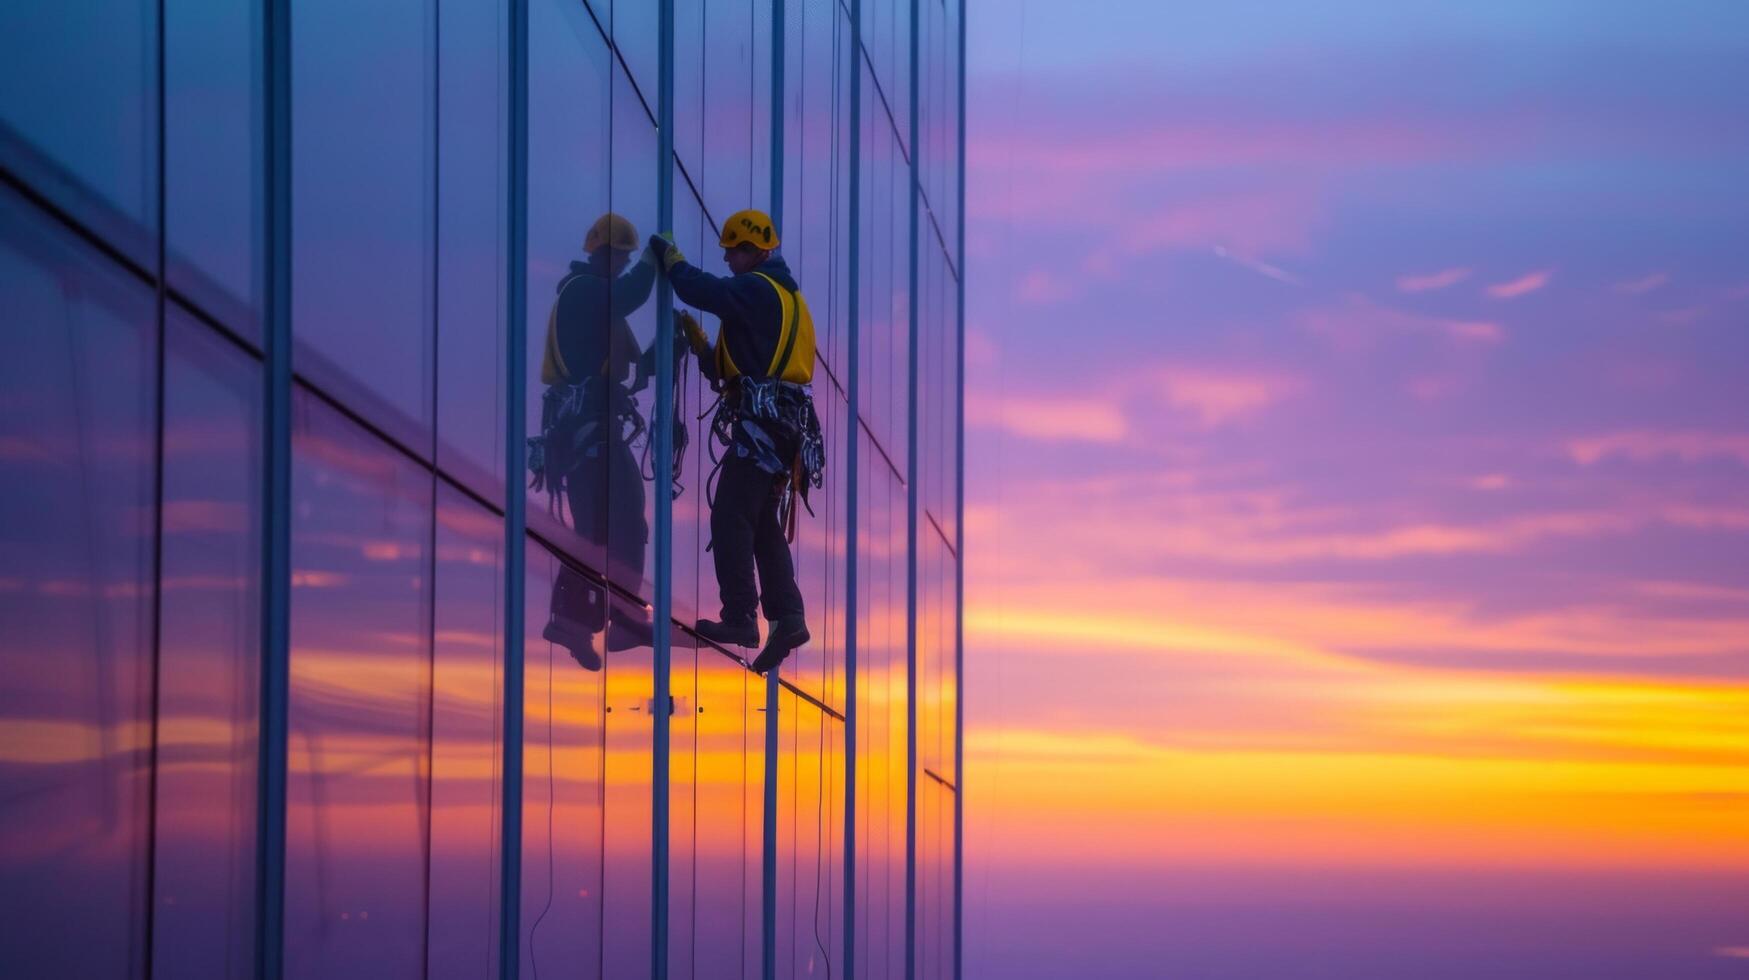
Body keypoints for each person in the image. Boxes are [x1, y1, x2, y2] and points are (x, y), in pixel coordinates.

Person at [645, 209, 824, 674]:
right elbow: (745, 370)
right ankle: (787, 617)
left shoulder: (757, 289)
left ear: (755, 250)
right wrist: (706, 350)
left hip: (765, 430)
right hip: (783, 429)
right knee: (760, 522)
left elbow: (705, 291)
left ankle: (741, 615)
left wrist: (672, 260)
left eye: (733, 250)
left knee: (731, 514)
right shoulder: (789, 299)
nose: (727, 258)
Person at [530, 212, 662, 670]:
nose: (624, 265)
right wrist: (654, 260)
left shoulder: (594, 297)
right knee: (616, 525)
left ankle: (585, 620)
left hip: (592, 428)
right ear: (601, 253)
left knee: (606, 529)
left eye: (627, 259)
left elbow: (625, 370)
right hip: (587, 432)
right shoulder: (587, 291)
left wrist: (667, 351)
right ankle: (613, 619)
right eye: (620, 257)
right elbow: (628, 295)